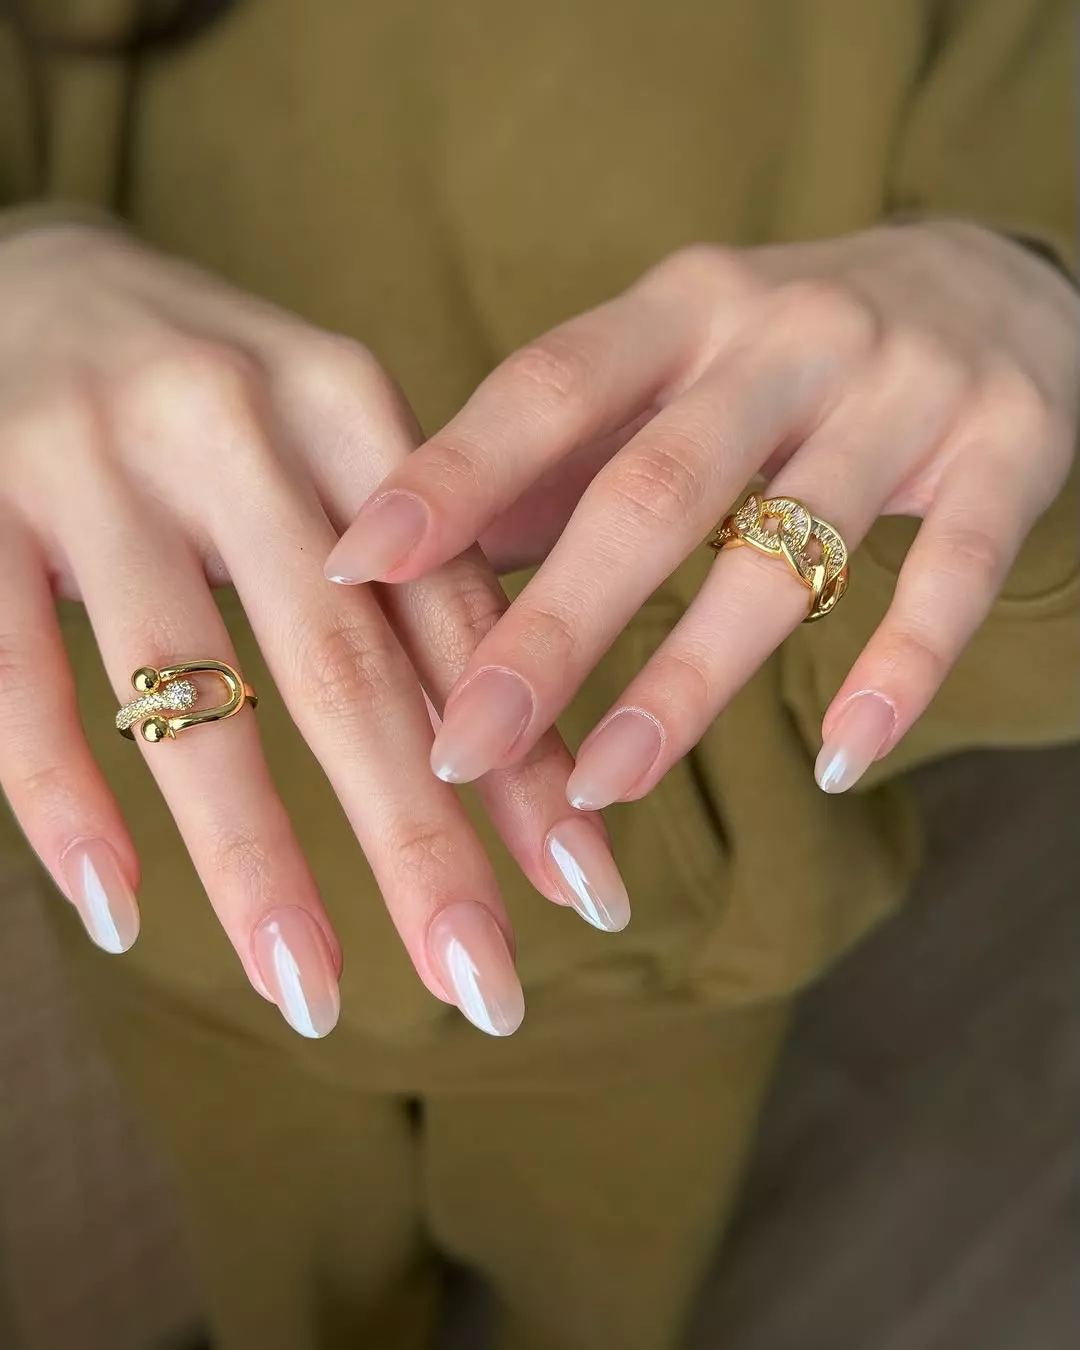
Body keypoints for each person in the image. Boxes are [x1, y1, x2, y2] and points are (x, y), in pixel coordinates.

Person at [0, 1, 1075, 1347]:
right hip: (178, 903)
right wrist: (23, 271)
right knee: (288, 1302)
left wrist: (1031, 283)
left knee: (597, 1304)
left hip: (655, 954)